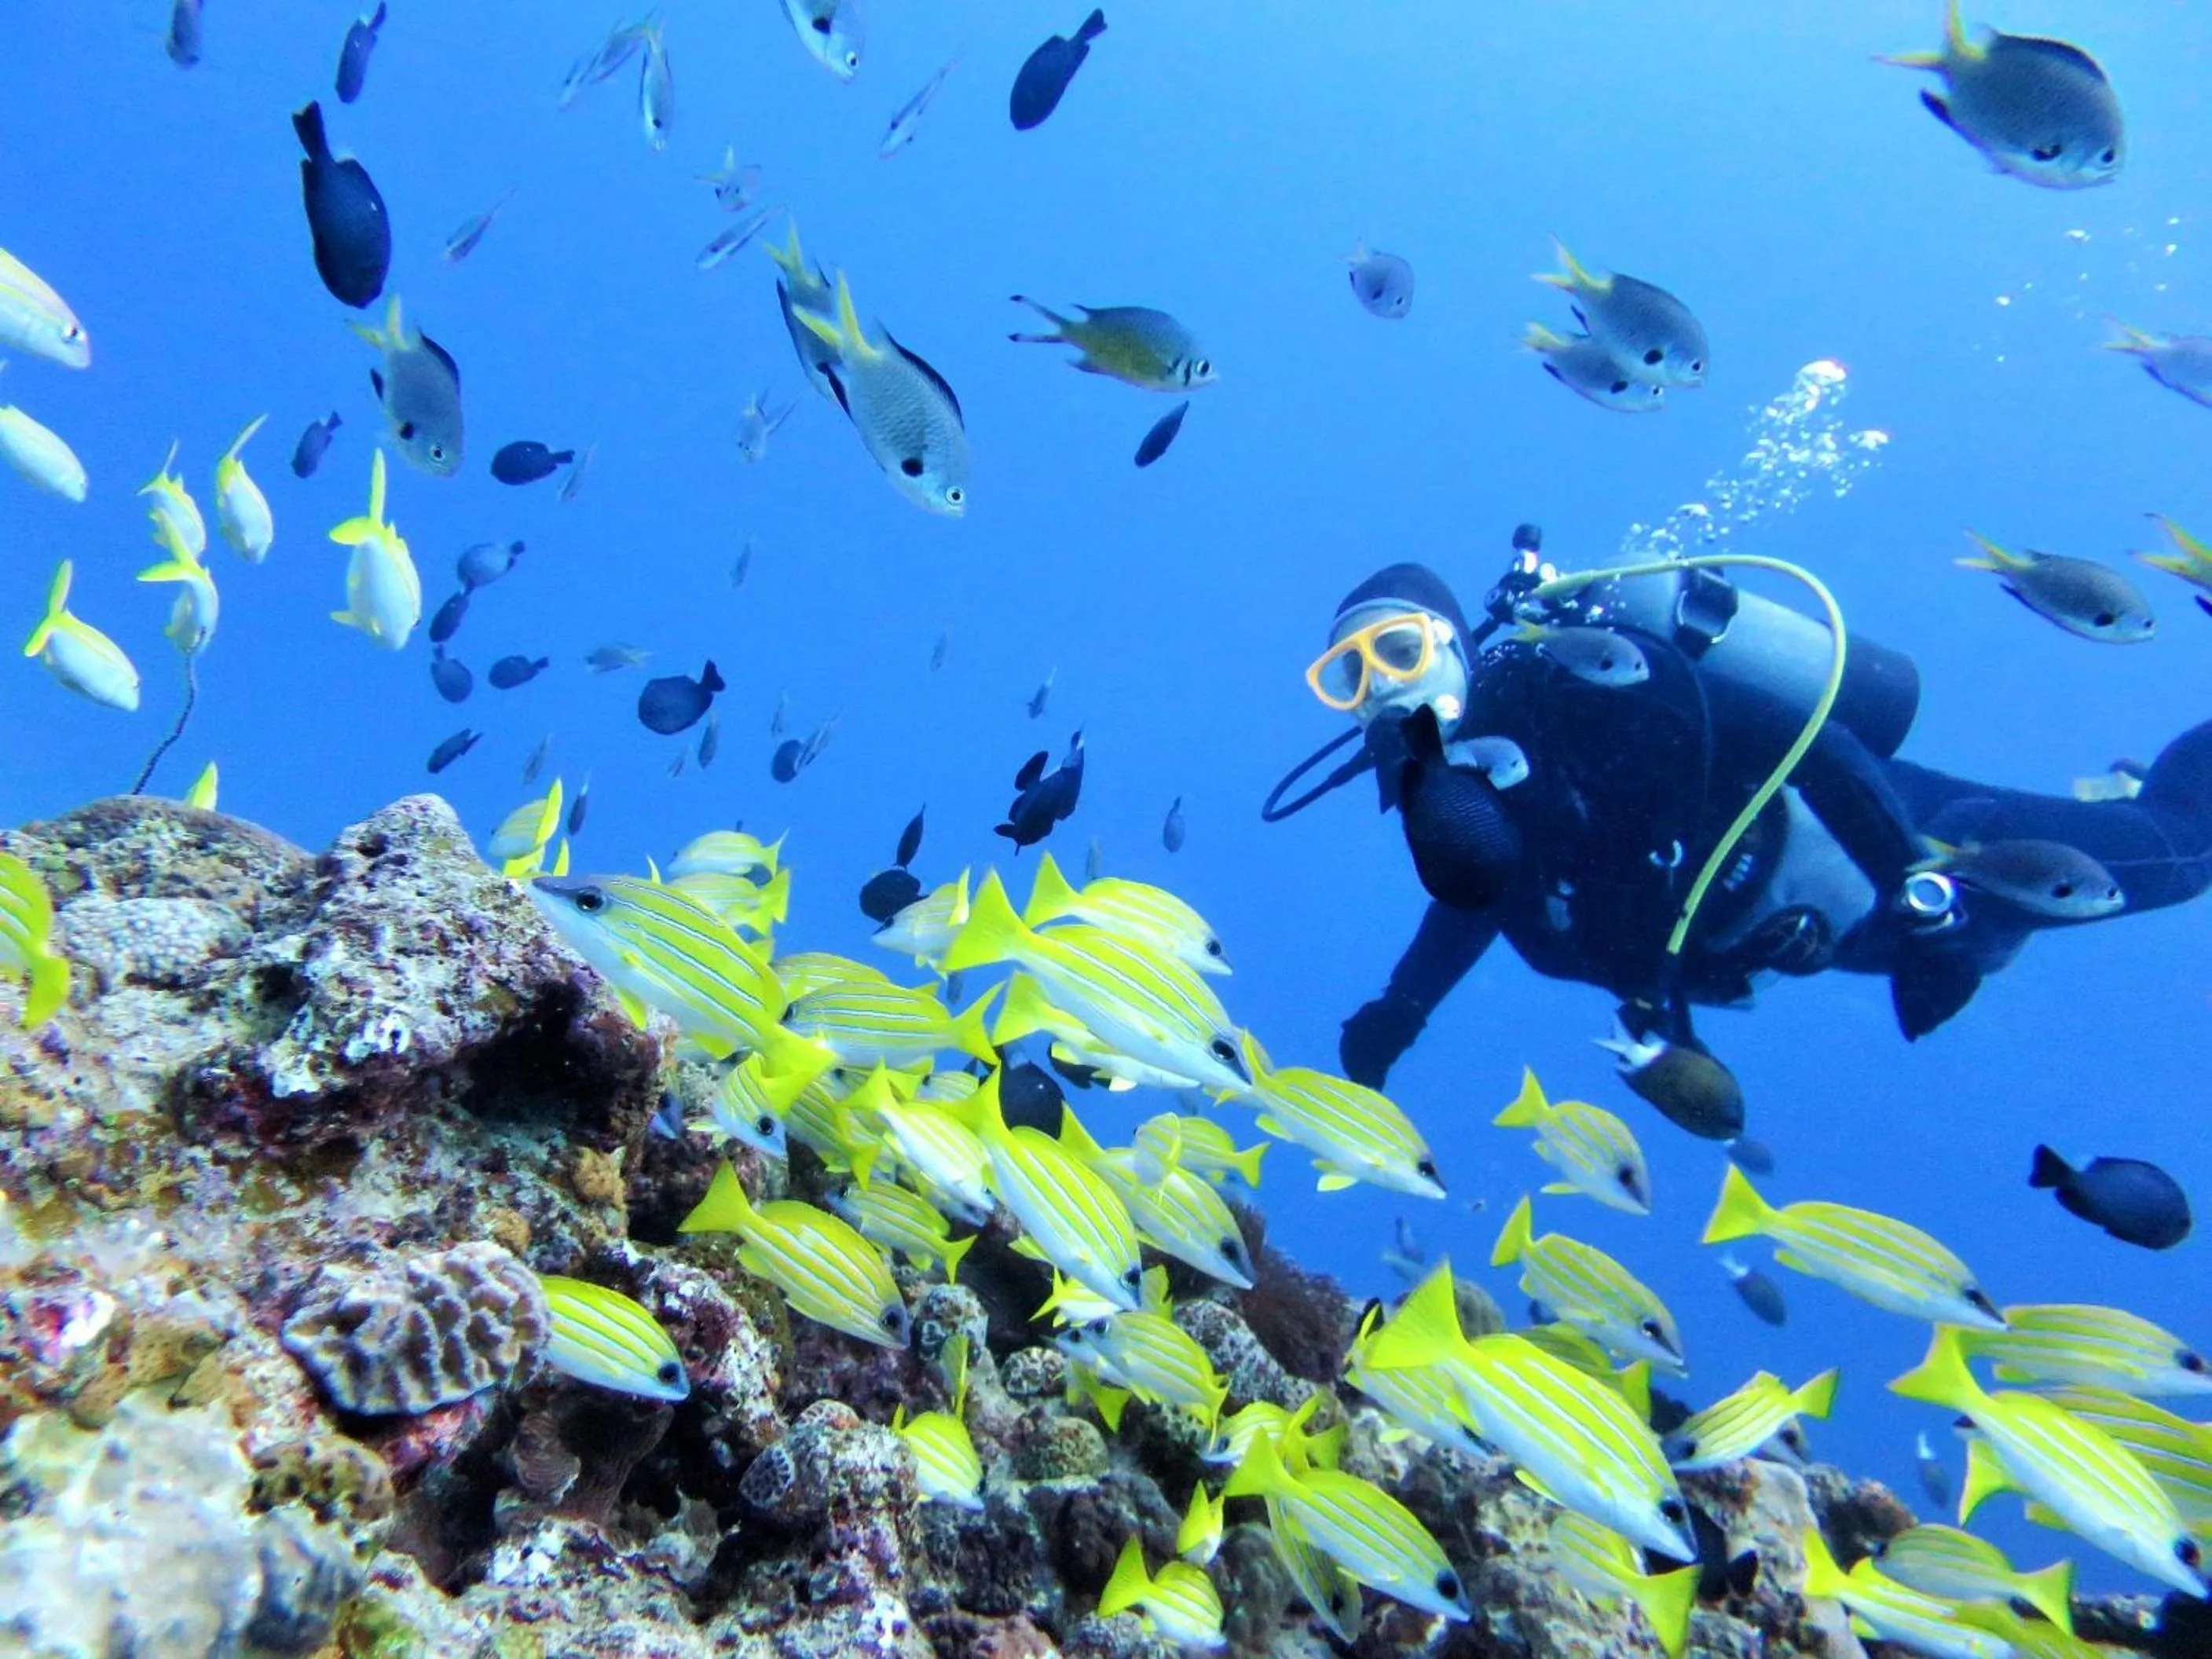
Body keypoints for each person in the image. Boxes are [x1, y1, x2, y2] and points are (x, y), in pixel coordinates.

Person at [1265, 529, 2212, 1091]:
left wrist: (1919, 885)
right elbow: (1480, 892)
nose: (1380, 687)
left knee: (2178, 848)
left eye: (1394, 650)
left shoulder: (1591, 684)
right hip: (1798, 935)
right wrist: (1403, 1007)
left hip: (1910, 839)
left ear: (1450, 644)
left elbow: (1822, 749)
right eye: (1347, 675)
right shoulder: (1454, 793)